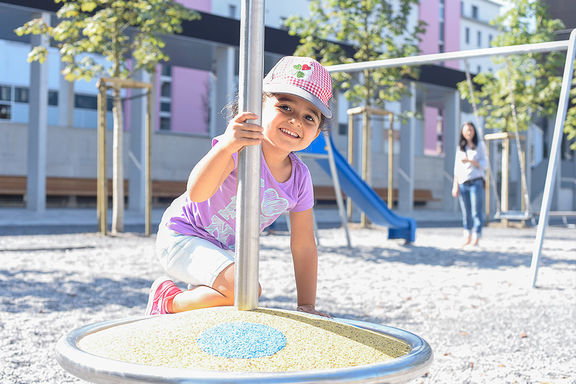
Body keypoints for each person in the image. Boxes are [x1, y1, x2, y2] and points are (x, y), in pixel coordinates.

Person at [145, 56, 332, 318]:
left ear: (316, 133)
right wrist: (226, 147)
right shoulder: (238, 147)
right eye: (285, 107)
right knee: (245, 290)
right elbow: (198, 193)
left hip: (222, 249)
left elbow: (303, 245)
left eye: (309, 117)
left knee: (233, 300)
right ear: (258, 105)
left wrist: (306, 305)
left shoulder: (300, 178)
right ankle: (167, 301)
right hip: (183, 235)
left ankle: (186, 308)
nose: (296, 121)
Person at [451, 122, 487, 247]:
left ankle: (477, 235)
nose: (469, 132)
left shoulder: (480, 145)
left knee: (476, 211)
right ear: (462, 132)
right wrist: (455, 185)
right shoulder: (460, 147)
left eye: (471, 130)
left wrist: (471, 161)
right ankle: (467, 235)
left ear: (474, 131)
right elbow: (457, 168)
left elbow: (484, 164)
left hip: (476, 181)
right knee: (466, 211)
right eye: (466, 130)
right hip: (463, 182)